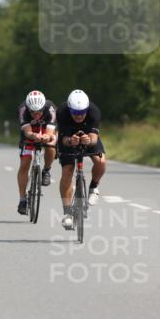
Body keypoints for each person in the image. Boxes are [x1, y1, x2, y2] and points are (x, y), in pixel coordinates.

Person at [56, 90, 106, 230]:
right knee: (67, 171)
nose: (79, 116)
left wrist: (88, 140)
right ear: (70, 109)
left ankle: (94, 187)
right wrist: (71, 140)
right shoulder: (62, 111)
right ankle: (67, 213)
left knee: (101, 161)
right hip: (68, 138)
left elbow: (94, 139)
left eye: (82, 113)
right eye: (76, 113)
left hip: (88, 136)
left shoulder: (94, 111)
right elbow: (63, 139)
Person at [16, 90, 57, 215]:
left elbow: (51, 133)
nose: (36, 114)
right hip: (30, 132)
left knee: (51, 145)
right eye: (32, 112)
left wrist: (47, 137)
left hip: (46, 129)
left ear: (43, 108)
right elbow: (27, 132)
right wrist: (33, 136)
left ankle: (46, 170)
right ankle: (23, 200)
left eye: (38, 112)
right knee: (25, 163)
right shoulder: (23, 109)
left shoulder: (50, 109)